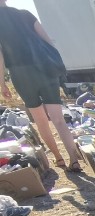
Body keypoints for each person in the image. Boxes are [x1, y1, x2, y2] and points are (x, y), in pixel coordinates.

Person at [0, 0, 83, 171]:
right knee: (59, 119)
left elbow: (0, 54)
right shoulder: (25, 14)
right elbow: (47, 41)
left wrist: (2, 83)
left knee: (40, 120)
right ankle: (74, 160)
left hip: (21, 73)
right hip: (44, 68)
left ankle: (59, 159)